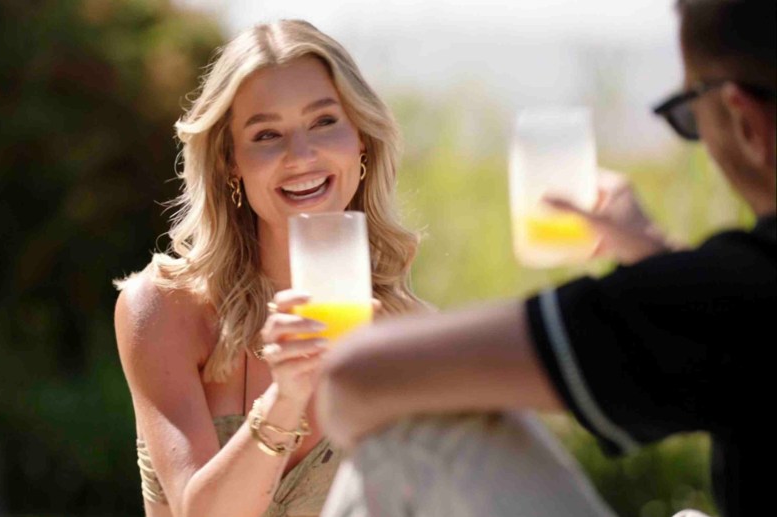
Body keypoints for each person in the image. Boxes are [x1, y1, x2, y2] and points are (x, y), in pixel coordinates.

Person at [315, 1, 774, 516]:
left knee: (418, 435)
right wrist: (657, 254)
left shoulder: (746, 288)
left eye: (689, 116)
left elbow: (357, 376)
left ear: (745, 122)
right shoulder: (735, 294)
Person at [113, 19, 429, 517]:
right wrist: (287, 397)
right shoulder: (162, 309)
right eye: (266, 134)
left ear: (361, 141)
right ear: (229, 162)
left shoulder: (409, 334)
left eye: (325, 122)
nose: (301, 155)